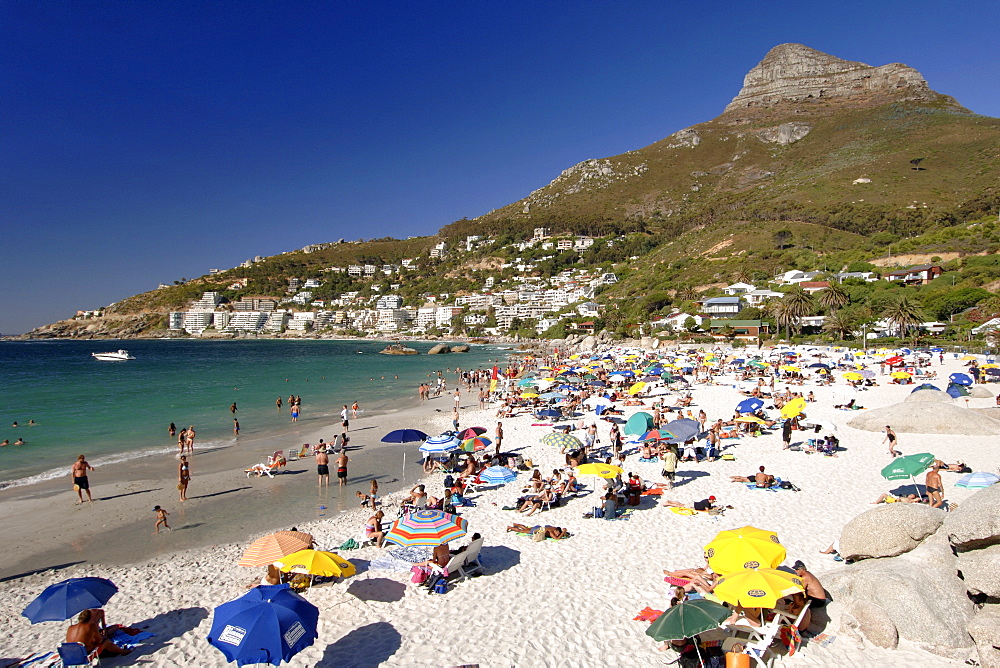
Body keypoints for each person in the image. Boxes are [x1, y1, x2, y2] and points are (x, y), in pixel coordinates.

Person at [65, 609, 133, 658]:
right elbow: (99, 640)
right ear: (89, 618)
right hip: (84, 654)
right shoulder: (91, 626)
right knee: (106, 642)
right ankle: (123, 652)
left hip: (71, 655)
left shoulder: (70, 627)